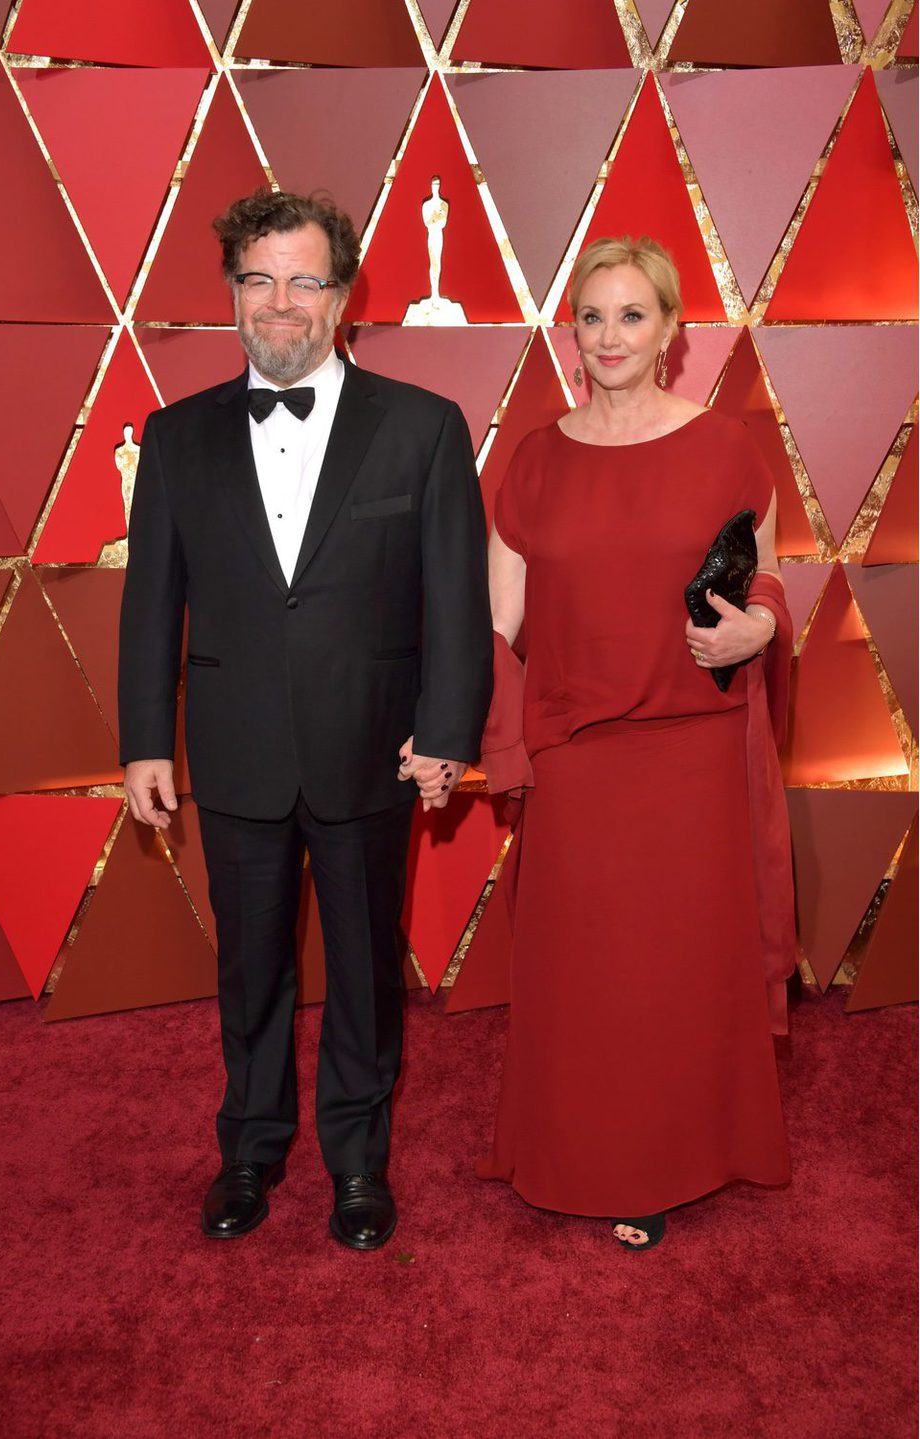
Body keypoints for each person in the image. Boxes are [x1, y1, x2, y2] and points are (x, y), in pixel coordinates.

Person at [118, 189, 492, 1250]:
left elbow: (453, 597)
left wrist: (450, 728)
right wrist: (146, 738)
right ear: (233, 292)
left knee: (368, 972)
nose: (279, 303)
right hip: (233, 751)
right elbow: (153, 599)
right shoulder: (176, 435)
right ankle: (250, 1147)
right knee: (250, 967)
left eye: (304, 280)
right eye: (258, 280)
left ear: (344, 295)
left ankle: (360, 1161)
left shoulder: (422, 427)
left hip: (373, 744)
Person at [477, 236, 795, 1249]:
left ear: (670, 332)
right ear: (571, 331)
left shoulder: (725, 446)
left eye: (632, 315)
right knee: (587, 976)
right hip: (578, 751)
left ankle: (669, 1157)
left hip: (691, 753)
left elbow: (770, 577)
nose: (609, 336)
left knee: (673, 974)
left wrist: (763, 626)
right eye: (592, 316)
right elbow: (496, 621)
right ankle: (584, 1151)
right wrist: (494, 741)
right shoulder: (534, 458)